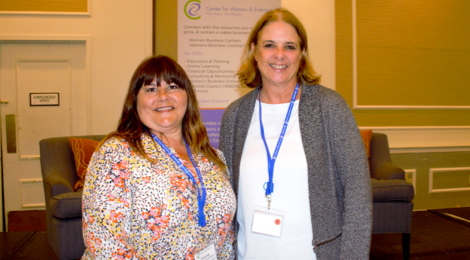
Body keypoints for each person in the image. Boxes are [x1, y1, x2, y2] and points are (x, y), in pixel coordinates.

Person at [219, 8, 372, 260]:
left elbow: (357, 193)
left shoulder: (329, 107)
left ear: (301, 54)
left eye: (289, 46)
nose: (279, 55)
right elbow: (227, 195)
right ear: (254, 50)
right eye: (270, 45)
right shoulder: (235, 115)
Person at [82, 55, 236, 259]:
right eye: (151, 89)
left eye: (172, 86)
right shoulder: (117, 153)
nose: (163, 96)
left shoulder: (214, 158)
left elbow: (226, 238)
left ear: (187, 97)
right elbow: (106, 244)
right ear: (135, 101)